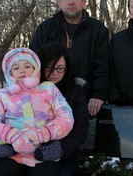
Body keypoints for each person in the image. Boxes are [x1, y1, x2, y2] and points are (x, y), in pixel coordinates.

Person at [30, 0, 109, 116]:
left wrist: (99, 94)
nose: (71, 2)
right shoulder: (46, 28)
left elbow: (104, 66)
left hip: (84, 102)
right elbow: (32, 64)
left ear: (84, 2)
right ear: (59, 3)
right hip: (47, 103)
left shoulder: (98, 29)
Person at [0, 47, 74, 176]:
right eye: (16, 68)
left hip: (44, 153)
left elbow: (66, 117)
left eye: (27, 66)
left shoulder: (48, 89)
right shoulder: (3, 95)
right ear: (10, 73)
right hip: (13, 154)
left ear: (35, 68)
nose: (22, 70)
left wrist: (44, 134)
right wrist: (11, 135)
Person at [36, 42, 89, 176]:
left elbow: (81, 127)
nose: (55, 73)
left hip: (64, 151)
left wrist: (60, 148)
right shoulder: (29, 89)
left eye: (60, 68)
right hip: (30, 148)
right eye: (50, 68)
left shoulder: (75, 91)